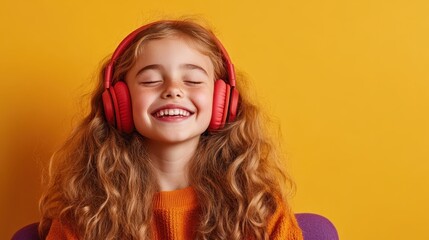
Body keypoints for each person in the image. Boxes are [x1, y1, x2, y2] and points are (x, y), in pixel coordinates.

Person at [39, 19, 303, 240]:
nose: (173, 90)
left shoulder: (259, 209)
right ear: (119, 102)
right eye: (151, 80)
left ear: (223, 101)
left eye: (193, 80)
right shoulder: (84, 214)